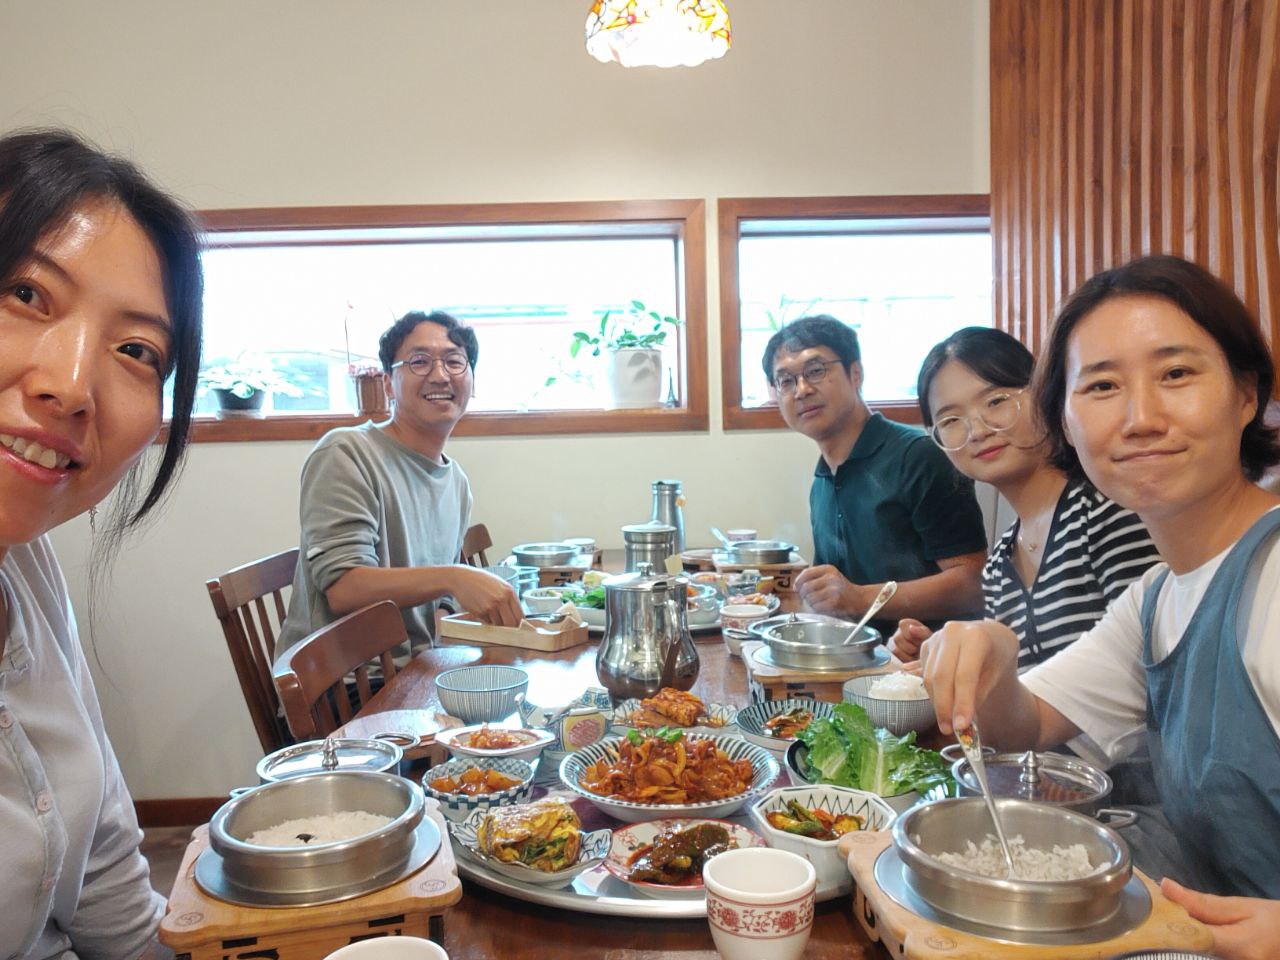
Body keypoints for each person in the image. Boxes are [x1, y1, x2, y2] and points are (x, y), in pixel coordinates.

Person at [918, 255, 1280, 960]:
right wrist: (994, 654)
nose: (1141, 418)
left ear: (1245, 394)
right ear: (1068, 420)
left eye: (1176, 374)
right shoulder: (1156, 597)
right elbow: (1027, 724)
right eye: (1104, 386)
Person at [0, 129, 204, 958]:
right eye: (26, 293)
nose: (72, 384)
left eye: (136, 351)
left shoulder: (26, 561)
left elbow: (108, 873)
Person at [890, 327, 1161, 669]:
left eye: (996, 401)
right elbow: (1017, 678)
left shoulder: (1107, 512)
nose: (978, 430)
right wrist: (945, 657)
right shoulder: (999, 563)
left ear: (1044, 394)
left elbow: (1148, 666)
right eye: (951, 419)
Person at [276, 310, 522, 662]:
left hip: (419, 666)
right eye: (419, 362)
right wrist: (455, 577)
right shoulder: (346, 452)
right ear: (388, 384)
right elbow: (344, 587)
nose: (440, 375)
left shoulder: (456, 482)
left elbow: (441, 601)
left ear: (472, 381)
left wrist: (449, 621)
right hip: (349, 681)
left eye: (454, 361)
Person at [762, 315, 988, 633]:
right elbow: (835, 598)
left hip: (923, 656)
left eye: (815, 371)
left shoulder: (918, 456)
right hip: (851, 655)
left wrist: (859, 598)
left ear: (855, 373)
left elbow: (973, 584)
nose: (801, 390)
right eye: (785, 381)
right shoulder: (823, 480)